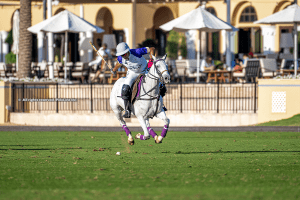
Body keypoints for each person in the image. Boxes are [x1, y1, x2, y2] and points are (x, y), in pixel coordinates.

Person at [111, 42, 155, 118]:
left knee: (155, 83)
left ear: (128, 51)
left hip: (144, 70)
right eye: (121, 55)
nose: (123, 56)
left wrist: (151, 58)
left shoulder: (136, 52)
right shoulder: (121, 58)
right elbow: (119, 63)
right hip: (133, 73)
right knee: (125, 89)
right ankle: (127, 110)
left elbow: (151, 49)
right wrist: (114, 70)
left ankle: (160, 104)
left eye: (124, 54)